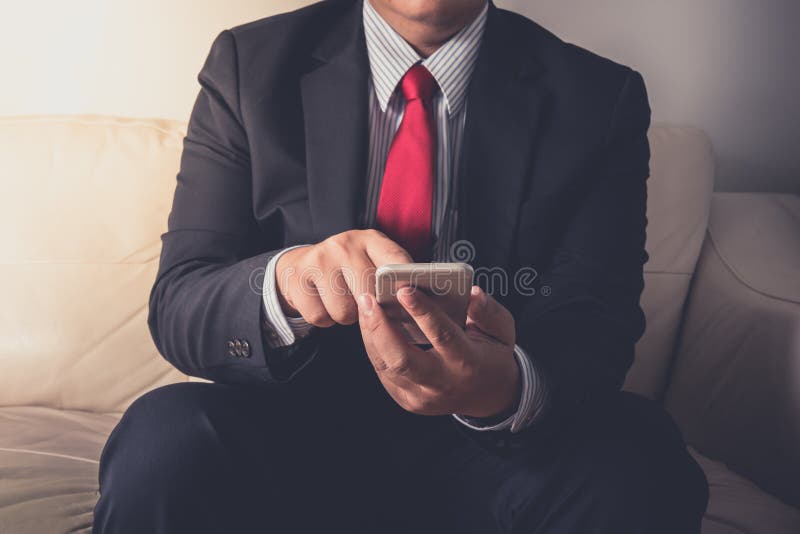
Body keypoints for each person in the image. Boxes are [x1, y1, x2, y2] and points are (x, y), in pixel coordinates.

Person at [92, 0, 709, 532]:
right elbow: (181, 301)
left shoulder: (599, 96)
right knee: (163, 441)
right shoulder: (248, 65)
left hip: (497, 454)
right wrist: (291, 280)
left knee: (643, 456)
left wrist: (502, 387)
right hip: (290, 429)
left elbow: (595, 317)